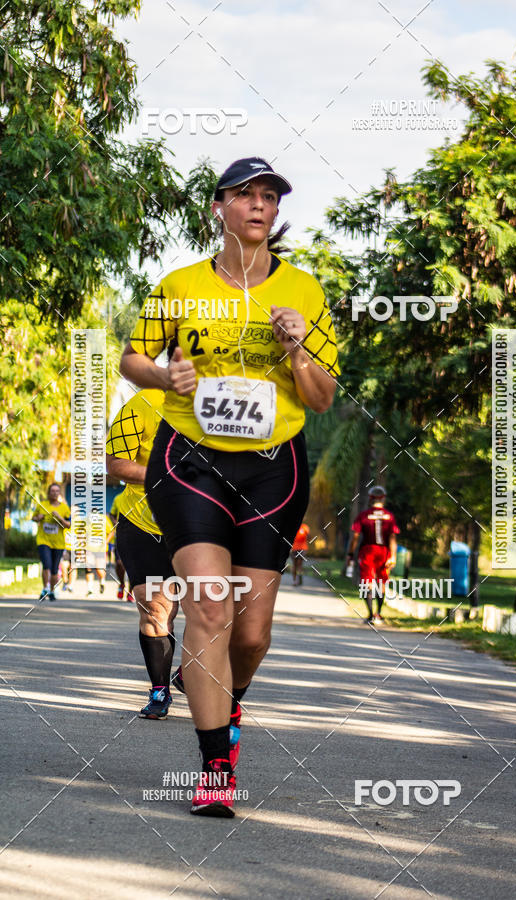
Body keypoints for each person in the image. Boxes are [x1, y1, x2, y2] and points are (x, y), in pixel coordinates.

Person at [120, 156, 339, 817]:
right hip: (190, 461)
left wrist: (299, 349)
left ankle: (224, 693)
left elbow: (323, 398)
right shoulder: (179, 285)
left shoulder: (304, 291)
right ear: (218, 207)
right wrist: (166, 379)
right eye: (245, 194)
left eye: (269, 196)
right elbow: (134, 358)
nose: (258, 205)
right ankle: (217, 766)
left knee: (249, 635)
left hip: (274, 467)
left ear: (275, 213)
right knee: (209, 609)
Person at [106, 388, 180, 718]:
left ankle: (191, 672)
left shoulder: (227, 407)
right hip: (142, 523)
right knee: (155, 606)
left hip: (203, 527)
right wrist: (162, 475)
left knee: (208, 608)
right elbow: (114, 463)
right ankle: (160, 689)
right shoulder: (144, 403)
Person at [347, 486, 399, 625]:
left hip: (367, 551)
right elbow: (392, 537)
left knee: (367, 583)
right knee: (381, 582)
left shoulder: (363, 515)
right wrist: (393, 556)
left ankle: (370, 615)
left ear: (370, 498)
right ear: (383, 498)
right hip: (384, 552)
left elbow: (355, 537)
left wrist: (350, 553)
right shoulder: (389, 516)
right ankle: (379, 613)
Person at [32, 483, 71, 602]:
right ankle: (44, 589)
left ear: (59, 493)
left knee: (54, 569)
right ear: (48, 493)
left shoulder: (64, 508)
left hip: (58, 543)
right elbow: (33, 518)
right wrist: (38, 518)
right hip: (43, 540)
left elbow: (69, 525)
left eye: (57, 491)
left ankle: (52, 591)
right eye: (52, 491)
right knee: (46, 564)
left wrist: (59, 517)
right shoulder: (42, 505)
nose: (54, 493)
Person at [109, 490, 130, 600]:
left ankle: (131, 591)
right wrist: (115, 522)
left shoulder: (144, 494)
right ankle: (122, 584)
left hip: (139, 535)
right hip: (121, 534)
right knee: (119, 563)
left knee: (135, 565)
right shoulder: (118, 498)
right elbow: (111, 514)